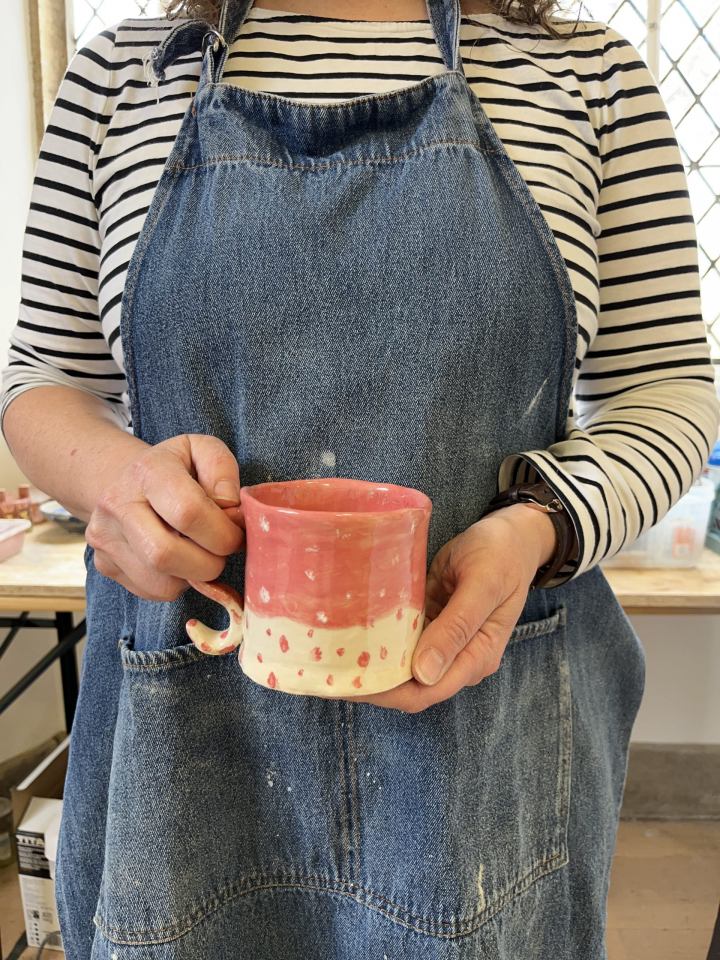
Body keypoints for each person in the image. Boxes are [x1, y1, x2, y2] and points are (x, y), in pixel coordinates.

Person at [2, 0, 717, 956]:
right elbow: (40, 383)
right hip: (189, 724)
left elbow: (667, 387)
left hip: (487, 734)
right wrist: (122, 481)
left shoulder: (589, 76)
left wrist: (543, 521)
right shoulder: (120, 77)